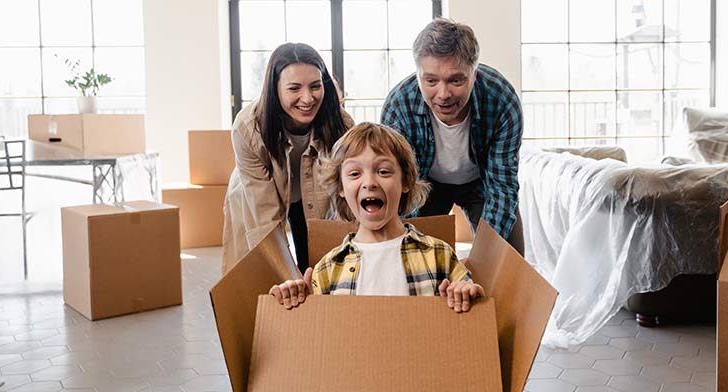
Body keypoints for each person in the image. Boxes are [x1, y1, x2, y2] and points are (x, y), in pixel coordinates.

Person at [269, 122, 484, 313]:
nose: (369, 182)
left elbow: (471, 298)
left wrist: (465, 291)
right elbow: (318, 336)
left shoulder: (439, 254)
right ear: (341, 188)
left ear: (406, 182)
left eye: (383, 171)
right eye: (354, 173)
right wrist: (299, 299)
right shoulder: (328, 268)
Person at [380, 18, 525, 255]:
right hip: (425, 184)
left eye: (456, 80)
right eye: (431, 81)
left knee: (507, 260)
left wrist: (488, 256)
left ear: (474, 74)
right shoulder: (398, 107)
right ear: (418, 75)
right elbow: (399, 183)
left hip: (482, 183)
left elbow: (502, 185)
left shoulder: (502, 100)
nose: (443, 94)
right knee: (414, 260)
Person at [222, 43, 352, 273]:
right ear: (275, 89)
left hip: (314, 194)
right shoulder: (247, 128)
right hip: (258, 195)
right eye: (294, 88)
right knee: (265, 271)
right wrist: (288, 275)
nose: (307, 98)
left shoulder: (341, 124)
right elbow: (265, 221)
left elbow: (347, 196)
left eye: (315, 86)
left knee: (316, 265)